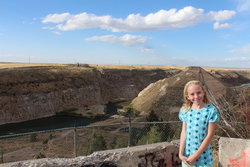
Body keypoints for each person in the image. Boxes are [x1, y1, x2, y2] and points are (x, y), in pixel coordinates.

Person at [178, 80, 219, 167]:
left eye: (199, 93)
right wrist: (181, 154)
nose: (196, 96)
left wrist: (196, 155)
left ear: (203, 92)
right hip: (187, 156)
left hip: (204, 157)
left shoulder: (211, 110)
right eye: (192, 94)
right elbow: (183, 133)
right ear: (187, 96)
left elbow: (210, 135)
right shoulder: (185, 110)